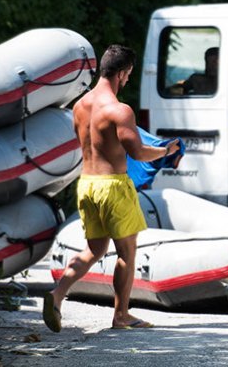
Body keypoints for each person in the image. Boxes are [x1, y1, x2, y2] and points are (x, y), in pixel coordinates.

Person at [42, 45, 180, 332]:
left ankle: (56, 295)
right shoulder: (119, 110)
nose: (127, 81)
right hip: (113, 186)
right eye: (128, 75)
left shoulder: (79, 106)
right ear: (121, 73)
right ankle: (121, 315)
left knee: (94, 249)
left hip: (87, 184)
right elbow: (139, 153)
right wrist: (165, 150)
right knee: (126, 253)